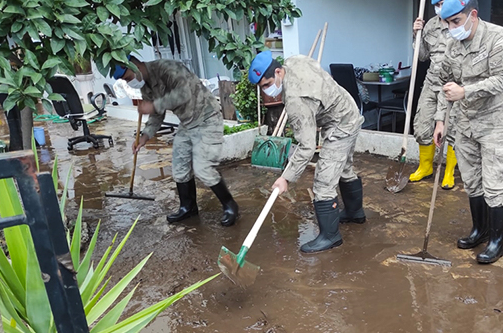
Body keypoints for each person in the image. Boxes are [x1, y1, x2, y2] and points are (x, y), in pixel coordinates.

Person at [247, 51, 365, 254]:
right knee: (344, 167)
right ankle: (355, 213)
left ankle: (330, 236)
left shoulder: (295, 100)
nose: (266, 91)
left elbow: (307, 146)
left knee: (324, 180)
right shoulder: (294, 61)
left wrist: (286, 178)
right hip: (348, 108)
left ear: (278, 71)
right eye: (262, 88)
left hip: (341, 124)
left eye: (267, 84)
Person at [435, 0, 503, 264]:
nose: (451, 28)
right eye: (447, 23)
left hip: (495, 121)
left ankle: (497, 241)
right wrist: (440, 119)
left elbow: (501, 80)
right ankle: (480, 230)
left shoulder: (499, 38)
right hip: (465, 121)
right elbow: (444, 84)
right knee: (471, 180)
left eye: (455, 21)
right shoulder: (451, 45)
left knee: (494, 182)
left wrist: (465, 91)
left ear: (473, 15)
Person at [113, 57, 238, 226]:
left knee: (203, 169)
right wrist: (144, 136)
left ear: (135, 65)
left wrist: (154, 105)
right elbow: (157, 115)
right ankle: (188, 207)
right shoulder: (146, 86)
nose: (129, 82)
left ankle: (230, 205)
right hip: (187, 122)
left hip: (206, 117)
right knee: (179, 167)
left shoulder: (168, 68)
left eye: (127, 78)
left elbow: (184, 93)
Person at [410, 0, 458, 190]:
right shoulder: (430, 24)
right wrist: (416, 34)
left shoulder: (459, 23)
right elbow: (421, 57)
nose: (440, 7)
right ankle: (425, 167)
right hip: (431, 82)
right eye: (436, 4)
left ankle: (449, 172)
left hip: (452, 84)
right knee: (422, 125)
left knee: (451, 130)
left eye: (443, 2)